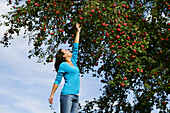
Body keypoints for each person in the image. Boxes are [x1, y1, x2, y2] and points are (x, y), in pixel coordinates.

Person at [48, 23, 82, 113]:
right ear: (63, 56)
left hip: (76, 96)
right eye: (65, 50)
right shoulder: (63, 65)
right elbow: (57, 80)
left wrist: (78, 32)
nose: (68, 50)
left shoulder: (73, 61)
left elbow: (76, 47)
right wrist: (52, 95)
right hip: (67, 95)